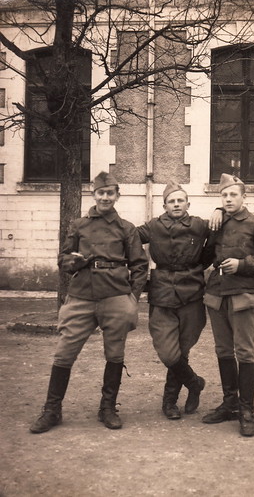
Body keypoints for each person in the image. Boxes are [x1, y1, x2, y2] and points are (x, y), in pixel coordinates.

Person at [30, 172, 148, 433]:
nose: (105, 197)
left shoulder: (127, 228)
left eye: (110, 193)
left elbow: (140, 266)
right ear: (93, 194)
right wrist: (73, 261)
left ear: (117, 196)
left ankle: (107, 408)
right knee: (64, 352)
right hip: (81, 296)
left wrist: (132, 299)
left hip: (116, 296)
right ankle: (52, 410)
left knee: (115, 354)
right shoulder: (78, 225)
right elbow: (62, 259)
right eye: (101, 192)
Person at [201, 173, 254, 436]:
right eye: (224, 195)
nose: (228, 198)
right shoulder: (217, 224)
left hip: (243, 296)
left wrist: (242, 264)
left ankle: (247, 409)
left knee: (244, 352)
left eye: (233, 194)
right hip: (217, 296)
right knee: (223, 350)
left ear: (244, 197)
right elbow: (206, 255)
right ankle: (230, 403)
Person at [137, 180, 222, 420]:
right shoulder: (153, 226)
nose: (176, 204)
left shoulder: (198, 225)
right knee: (168, 352)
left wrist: (220, 210)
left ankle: (170, 402)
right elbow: (128, 236)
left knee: (182, 351)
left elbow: (221, 228)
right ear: (164, 205)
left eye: (180, 200)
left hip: (192, 293)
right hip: (162, 294)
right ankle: (194, 383)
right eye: (171, 201)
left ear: (187, 203)